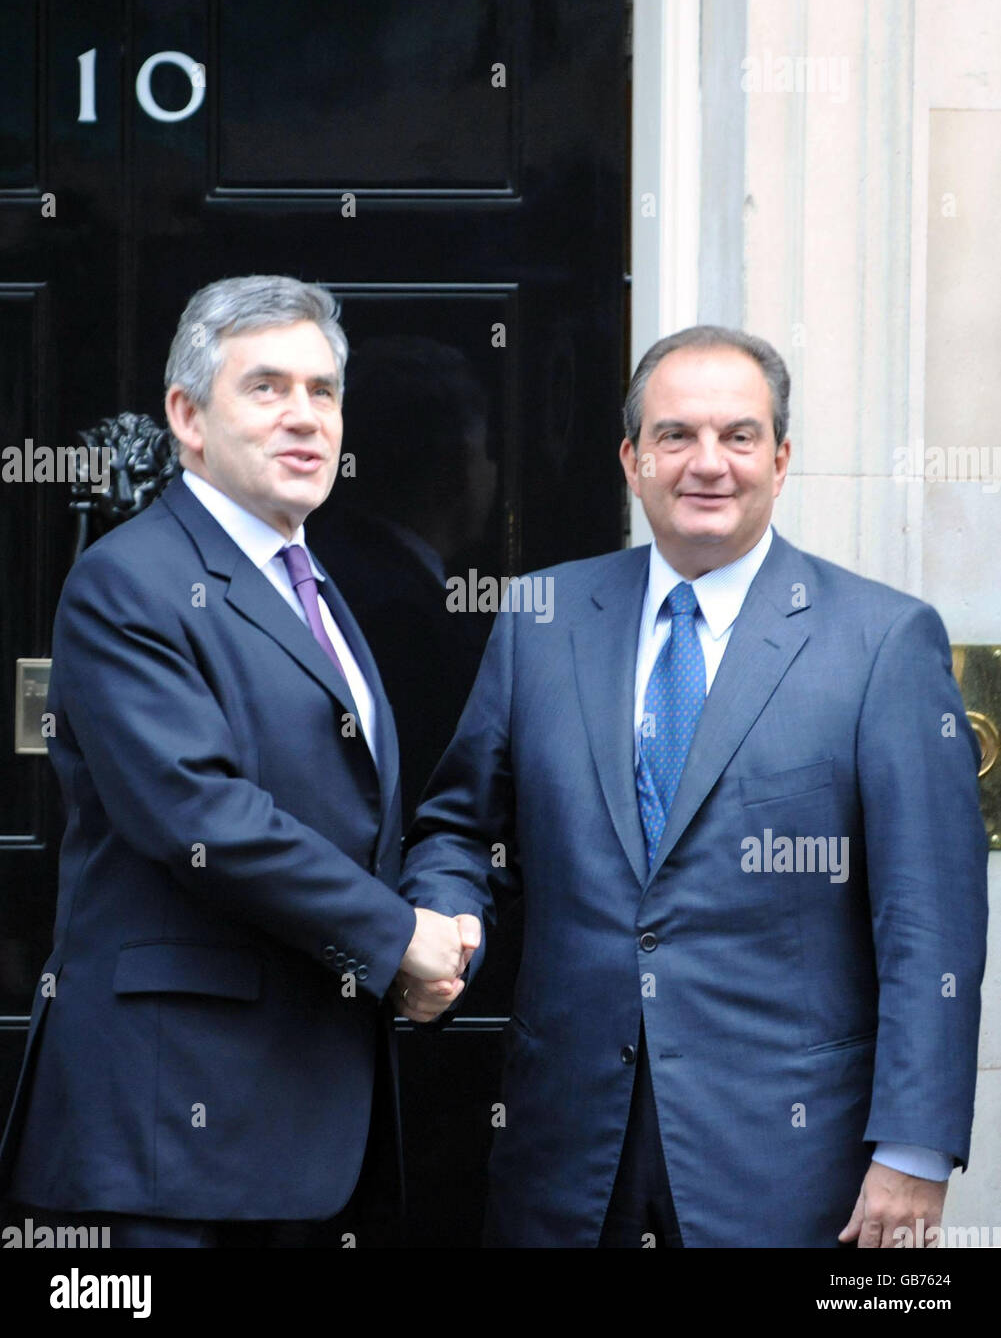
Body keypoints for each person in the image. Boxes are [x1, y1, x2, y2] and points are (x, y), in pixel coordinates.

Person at [396, 326, 988, 1248]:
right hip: (567, 1152)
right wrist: (448, 915)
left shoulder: (880, 642)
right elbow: (457, 827)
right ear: (632, 460)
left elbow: (930, 921)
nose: (707, 464)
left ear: (781, 460)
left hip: (791, 1169)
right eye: (674, 436)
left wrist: (912, 1150)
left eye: (738, 437)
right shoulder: (540, 620)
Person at [0, 274, 478, 1247]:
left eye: (322, 391)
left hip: (297, 1135)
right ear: (187, 415)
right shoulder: (129, 580)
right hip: (172, 1140)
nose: (304, 416)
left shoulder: (316, 587)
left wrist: (445, 911)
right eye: (266, 388)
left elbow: (363, 808)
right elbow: (201, 815)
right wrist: (397, 940)